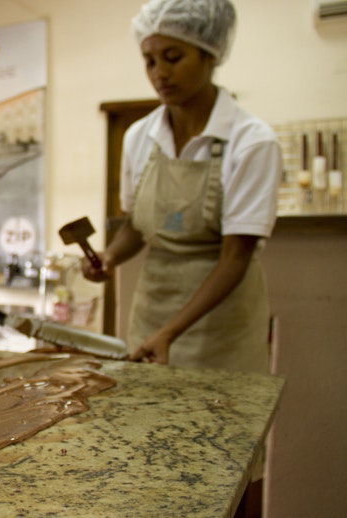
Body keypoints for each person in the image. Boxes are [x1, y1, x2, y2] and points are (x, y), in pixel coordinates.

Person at [81, 0, 281, 372]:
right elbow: (136, 227)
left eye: (173, 57)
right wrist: (109, 256)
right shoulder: (140, 136)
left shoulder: (252, 142)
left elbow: (236, 257)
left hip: (221, 329)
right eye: (150, 61)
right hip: (152, 316)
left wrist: (171, 333)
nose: (160, 74)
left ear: (210, 55)